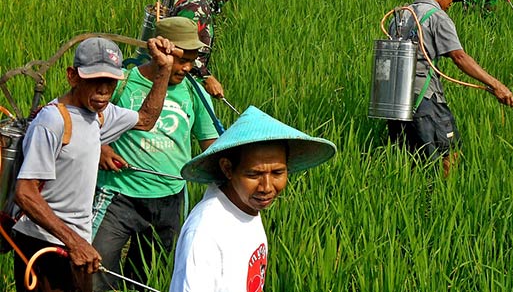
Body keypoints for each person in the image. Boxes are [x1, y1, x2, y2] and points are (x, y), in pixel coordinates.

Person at [11, 37, 176, 292]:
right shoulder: (53, 121)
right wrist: (74, 242)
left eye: (110, 82)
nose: (103, 90)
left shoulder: (99, 115)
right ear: (72, 77)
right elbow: (25, 193)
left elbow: (145, 120)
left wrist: (164, 70)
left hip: (75, 247)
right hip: (42, 244)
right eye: (94, 81)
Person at [91, 18, 219, 291]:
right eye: (181, 59)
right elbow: (85, 125)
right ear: (158, 51)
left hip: (169, 199)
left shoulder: (195, 93)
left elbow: (210, 144)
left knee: (145, 280)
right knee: (94, 272)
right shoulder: (123, 84)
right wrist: (100, 148)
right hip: (117, 195)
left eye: (192, 61)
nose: (186, 68)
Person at [170, 106, 336, 292]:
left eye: (278, 172)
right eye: (254, 174)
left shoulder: (244, 206)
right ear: (227, 169)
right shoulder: (205, 231)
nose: (266, 187)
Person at [388, 0, 513, 176]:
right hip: (425, 99)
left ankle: (411, 194)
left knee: (407, 157)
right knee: (449, 153)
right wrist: (496, 85)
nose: (450, 5)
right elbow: (459, 57)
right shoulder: (437, 17)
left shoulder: (400, 15)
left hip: (394, 99)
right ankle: (441, 197)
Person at [169, 0, 243, 99]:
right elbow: (180, 49)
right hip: (181, 82)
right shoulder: (196, 6)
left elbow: (214, 5)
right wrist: (207, 77)